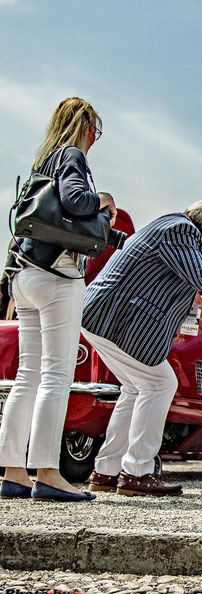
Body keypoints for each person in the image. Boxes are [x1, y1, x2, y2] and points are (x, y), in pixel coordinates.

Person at [81, 197, 202, 496]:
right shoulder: (181, 229)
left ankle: (107, 471)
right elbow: (201, 276)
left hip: (103, 314)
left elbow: (195, 274)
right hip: (114, 316)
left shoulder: (175, 227)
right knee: (161, 384)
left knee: (136, 388)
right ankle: (137, 471)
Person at [0, 97, 117, 502]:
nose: (94, 140)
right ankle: (49, 473)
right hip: (57, 277)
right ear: (84, 126)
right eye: (95, 131)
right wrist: (103, 201)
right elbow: (76, 201)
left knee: (27, 376)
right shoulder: (71, 155)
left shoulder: (43, 160)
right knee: (56, 375)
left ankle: (13, 471)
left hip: (25, 275)